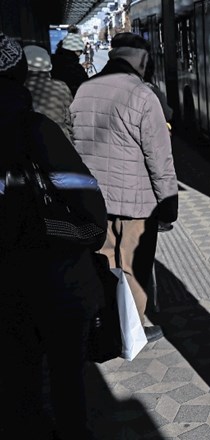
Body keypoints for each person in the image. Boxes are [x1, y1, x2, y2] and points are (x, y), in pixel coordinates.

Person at [0, 33, 107, 439]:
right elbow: (89, 209)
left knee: (16, 382)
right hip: (53, 279)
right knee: (67, 380)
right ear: (21, 75)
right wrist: (74, 237)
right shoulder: (36, 130)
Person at [70, 32, 178, 343]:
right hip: (137, 204)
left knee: (104, 262)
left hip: (94, 200)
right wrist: (168, 206)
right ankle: (130, 334)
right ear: (141, 61)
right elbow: (160, 159)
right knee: (133, 267)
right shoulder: (143, 95)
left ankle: (105, 326)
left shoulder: (84, 90)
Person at [23, 44, 74, 141]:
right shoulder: (60, 86)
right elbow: (70, 119)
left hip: (30, 145)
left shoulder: (20, 89)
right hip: (59, 142)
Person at [51, 32, 87, 97]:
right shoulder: (75, 68)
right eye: (80, 51)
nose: (80, 54)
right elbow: (85, 86)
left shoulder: (52, 62)